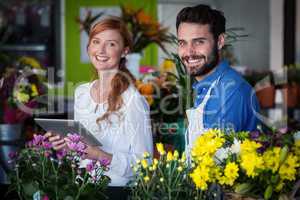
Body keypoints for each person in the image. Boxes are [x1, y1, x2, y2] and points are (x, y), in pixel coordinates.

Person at [46, 16, 153, 199]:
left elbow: (145, 164)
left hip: (117, 192)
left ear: (124, 51)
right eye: (96, 42)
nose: (101, 50)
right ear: (89, 47)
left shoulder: (133, 100)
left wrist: (100, 155)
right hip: (83, 186)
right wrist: (65, 145)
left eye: (111, 44)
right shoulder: (81, 93)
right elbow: (82, 151)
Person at [176, 4, 260, 155]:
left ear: (220, 41)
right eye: (183, 43)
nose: (189, 52)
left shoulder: (230, 91)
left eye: (199, 41)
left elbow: (216, 164)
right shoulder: (207, 85)